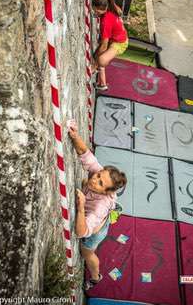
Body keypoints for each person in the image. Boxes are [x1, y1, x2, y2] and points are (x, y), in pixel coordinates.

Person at [68, 120, 127, 290]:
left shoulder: (99, 207)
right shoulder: (99, 174)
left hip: (96, 229)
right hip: (97, 216)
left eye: (100, 183)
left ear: (107, 192)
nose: (95, 179)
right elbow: (84, 153)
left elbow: (81, 232)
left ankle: (95, 277)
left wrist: (81, 206)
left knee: (86, 252)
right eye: (99, 175)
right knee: (87, 180)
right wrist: (75, 135)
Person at [92, 0, 128, 91]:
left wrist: (94, 65)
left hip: (120, 43)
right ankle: (102, 84)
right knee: (98, 57)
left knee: (101, 60)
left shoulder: (105, 22)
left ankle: (102, 83)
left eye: (95, 11)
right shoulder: (109, 6)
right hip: (119, 36)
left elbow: (103, 46)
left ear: (100, 9)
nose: (94, 12)